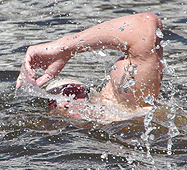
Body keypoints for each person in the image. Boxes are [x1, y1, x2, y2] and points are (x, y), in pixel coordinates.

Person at [16, 13, 164, 121]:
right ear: (51, 113)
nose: (66, 102)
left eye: (73, 93)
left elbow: (146, 25)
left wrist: (65, 47)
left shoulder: (124, 102)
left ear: (92, 96)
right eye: (55, 100)